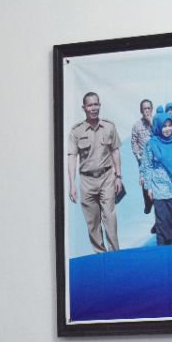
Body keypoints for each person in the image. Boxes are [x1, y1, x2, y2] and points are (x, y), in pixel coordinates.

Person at [67, 92, 123, 252]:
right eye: (90, 105)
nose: (94, 108)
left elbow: (115, 152)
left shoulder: (109, 126)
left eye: (96, 104)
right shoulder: (76, 131)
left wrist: (118, 176)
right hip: (87, 181)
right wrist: (72, 184)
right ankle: (100, 256)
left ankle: (115, 255)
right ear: (84, 108)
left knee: (110, 218)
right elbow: (71, 157)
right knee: (92, 223)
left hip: (107, 177)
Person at [141, 110, 172, 245]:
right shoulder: (152, 144)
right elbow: (148, 166)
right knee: (162, 226)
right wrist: (148, 187)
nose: (167, 129)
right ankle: (162, 255)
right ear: (158, 126)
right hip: (160, 190)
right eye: (164, 126)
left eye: (169, 125)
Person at [130, 99, 155, 214]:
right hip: (143, 159)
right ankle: (148, 203)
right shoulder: (136, 125)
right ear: (141, 110)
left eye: (148, 108)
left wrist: (151, 122)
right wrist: (137, 154)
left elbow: (161, 135)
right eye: (144, 108)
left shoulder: (157, 122)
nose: (147, 110)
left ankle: (157, 205)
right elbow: (134, 141)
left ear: (152, 109)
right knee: (144, 182)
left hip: (156, 159)